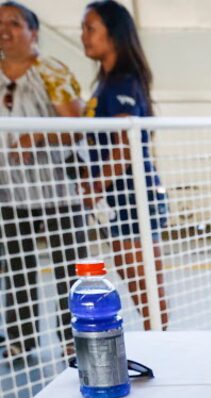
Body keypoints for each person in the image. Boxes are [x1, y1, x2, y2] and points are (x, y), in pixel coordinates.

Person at [0, 1, 85, 364]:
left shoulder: (52, 71)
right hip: (10, 193)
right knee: (17, 269)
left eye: (15, 23)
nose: (5, 29)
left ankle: (72, 338)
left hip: (57, 191)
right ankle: (21, 340)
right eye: (0, 23)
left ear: (33, 32)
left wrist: (36, 136)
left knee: (70, 266)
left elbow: (75, 127)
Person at [80, 0, 168, 330]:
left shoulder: (123, 83)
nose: (84, 36)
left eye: (91, 29)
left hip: (137, 198)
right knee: (133, 278)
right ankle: (157, 338)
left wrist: (94, 188)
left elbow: (122, 147)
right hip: (121, 200)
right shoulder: (106, 83)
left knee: (147, 292)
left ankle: (162, 344)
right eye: (83, 29)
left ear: (113, 35)